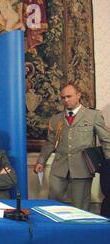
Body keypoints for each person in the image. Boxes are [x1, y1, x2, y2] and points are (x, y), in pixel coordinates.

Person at [34, 83, 110, 211]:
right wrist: (41, 161)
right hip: (59, 167)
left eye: (69, 96)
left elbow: (106, 140)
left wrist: (109, 163)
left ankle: (80, 231)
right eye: (63, 97)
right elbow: (50, 143)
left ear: (78, 95)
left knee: (80, 206)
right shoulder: (56, 119)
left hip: (82, 167)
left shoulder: (93, 116)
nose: (66, 100)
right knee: (53, 202)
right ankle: (55, 230)